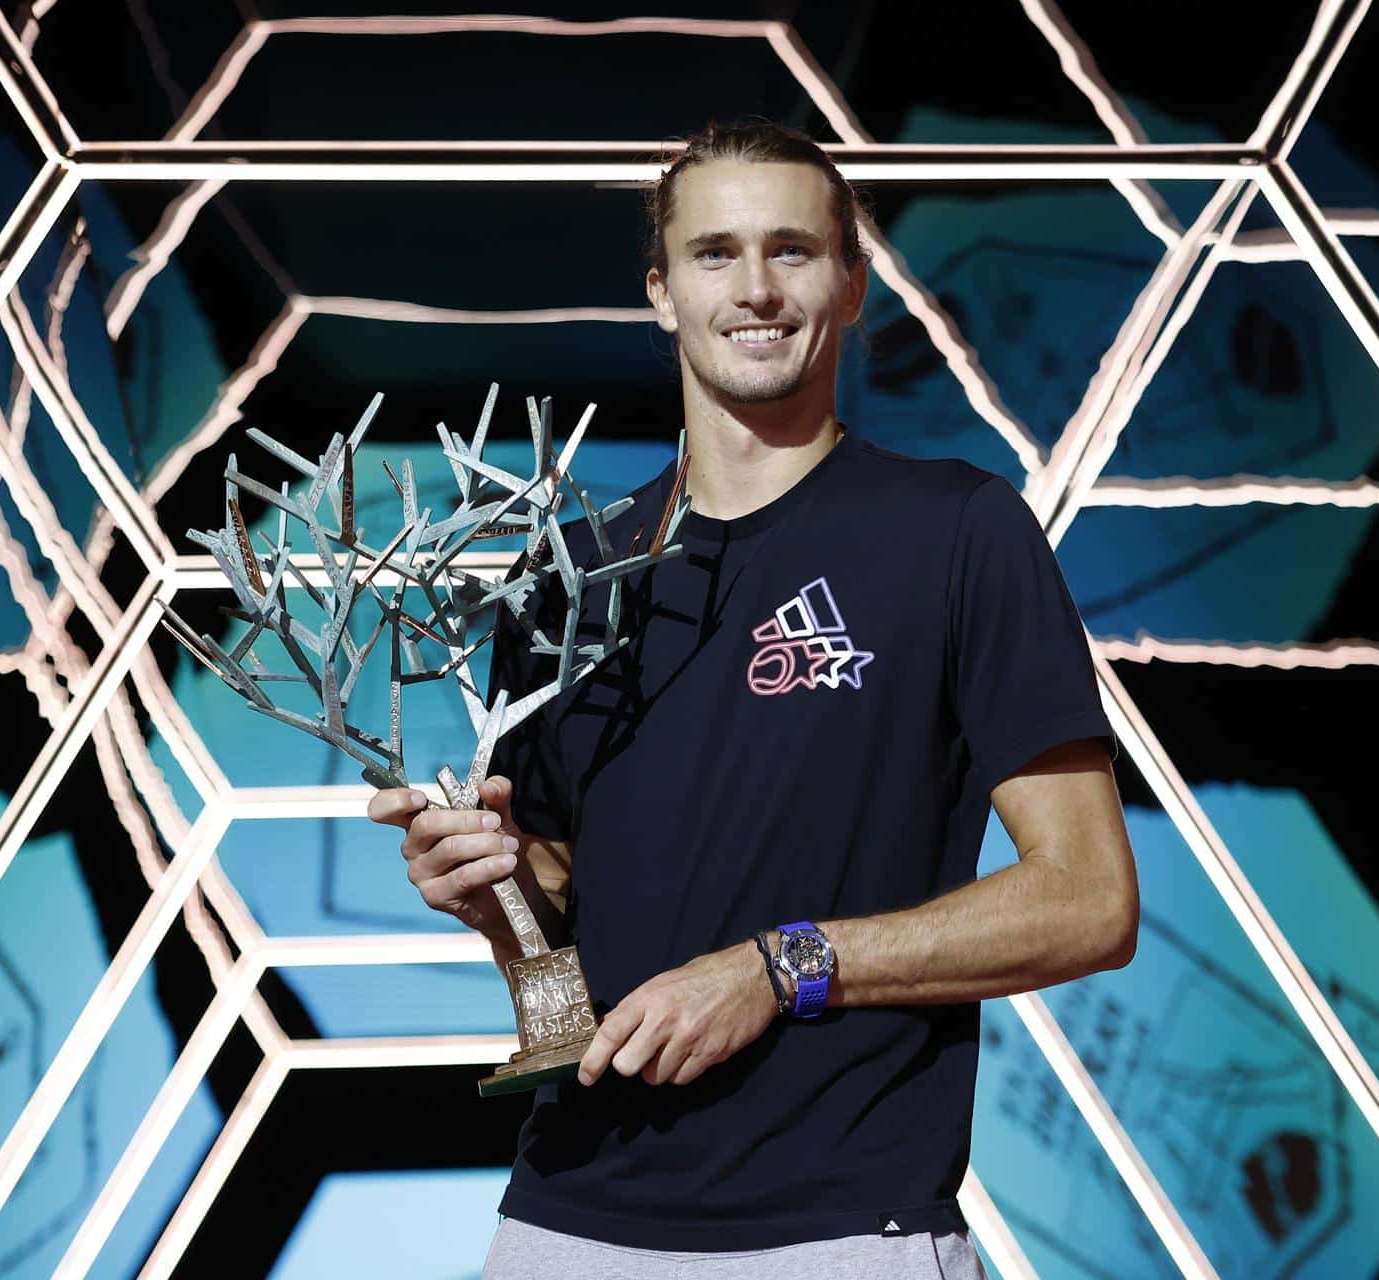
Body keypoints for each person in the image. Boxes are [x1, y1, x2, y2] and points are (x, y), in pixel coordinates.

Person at [367, 120, 1139, 1279]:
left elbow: (1088, 901)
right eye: (715, 253)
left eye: (793, 250)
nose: (758, 288)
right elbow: (558, 977)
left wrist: (782, 966)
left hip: (847, 1232)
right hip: (565, 1229)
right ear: (663, 293)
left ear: (854, 285)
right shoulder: (566, 580)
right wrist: (495, 901)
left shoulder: (956, 532)